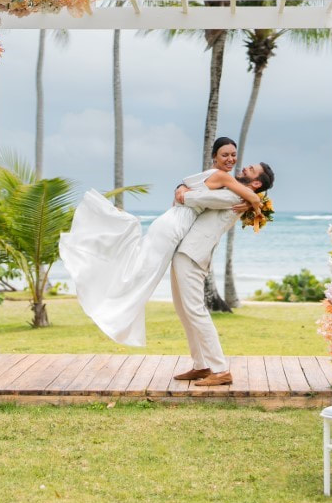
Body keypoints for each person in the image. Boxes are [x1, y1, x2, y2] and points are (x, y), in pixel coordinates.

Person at [61, 136, 269, 350]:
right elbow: (251, 197)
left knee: (140, 270)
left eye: (234, 155)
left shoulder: (219, 179)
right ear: (214, 157)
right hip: (173, 226)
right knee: (142, 274)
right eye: (225, 155)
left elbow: (192, 188)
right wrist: (255, 203)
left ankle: (109, 296)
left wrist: (182, 188)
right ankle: (110, 305)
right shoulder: (222, 177)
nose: (233, 160)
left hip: (171, 222)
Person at [170, 139, 276, 387]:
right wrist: (182, 187)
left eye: (250, 170)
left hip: (193, 255)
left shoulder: (234, 196)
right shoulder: (238, 192)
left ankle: (220, 369)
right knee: (185, 312)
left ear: (257, 182)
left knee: (195, 311)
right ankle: (200, 365)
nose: (243, 168)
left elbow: (199, 199)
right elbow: (197, 188)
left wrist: (184, 194)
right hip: (186, 252)